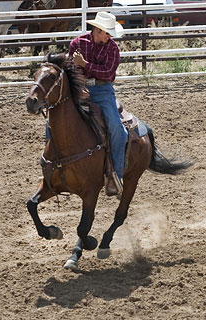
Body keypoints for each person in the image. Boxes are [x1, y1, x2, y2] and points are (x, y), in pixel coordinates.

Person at [68, 12, 128, 196]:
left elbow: (108, 73)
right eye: (107, 33)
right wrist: (78, 88)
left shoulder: (113, 49)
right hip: (80, 88)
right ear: (98, 30)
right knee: (54, 120)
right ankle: (51, 163)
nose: (110, 37)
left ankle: (115, 175)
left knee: (117, 129)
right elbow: (71, 69)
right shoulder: (77, 44)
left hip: (103, 90)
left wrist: (85, 64)